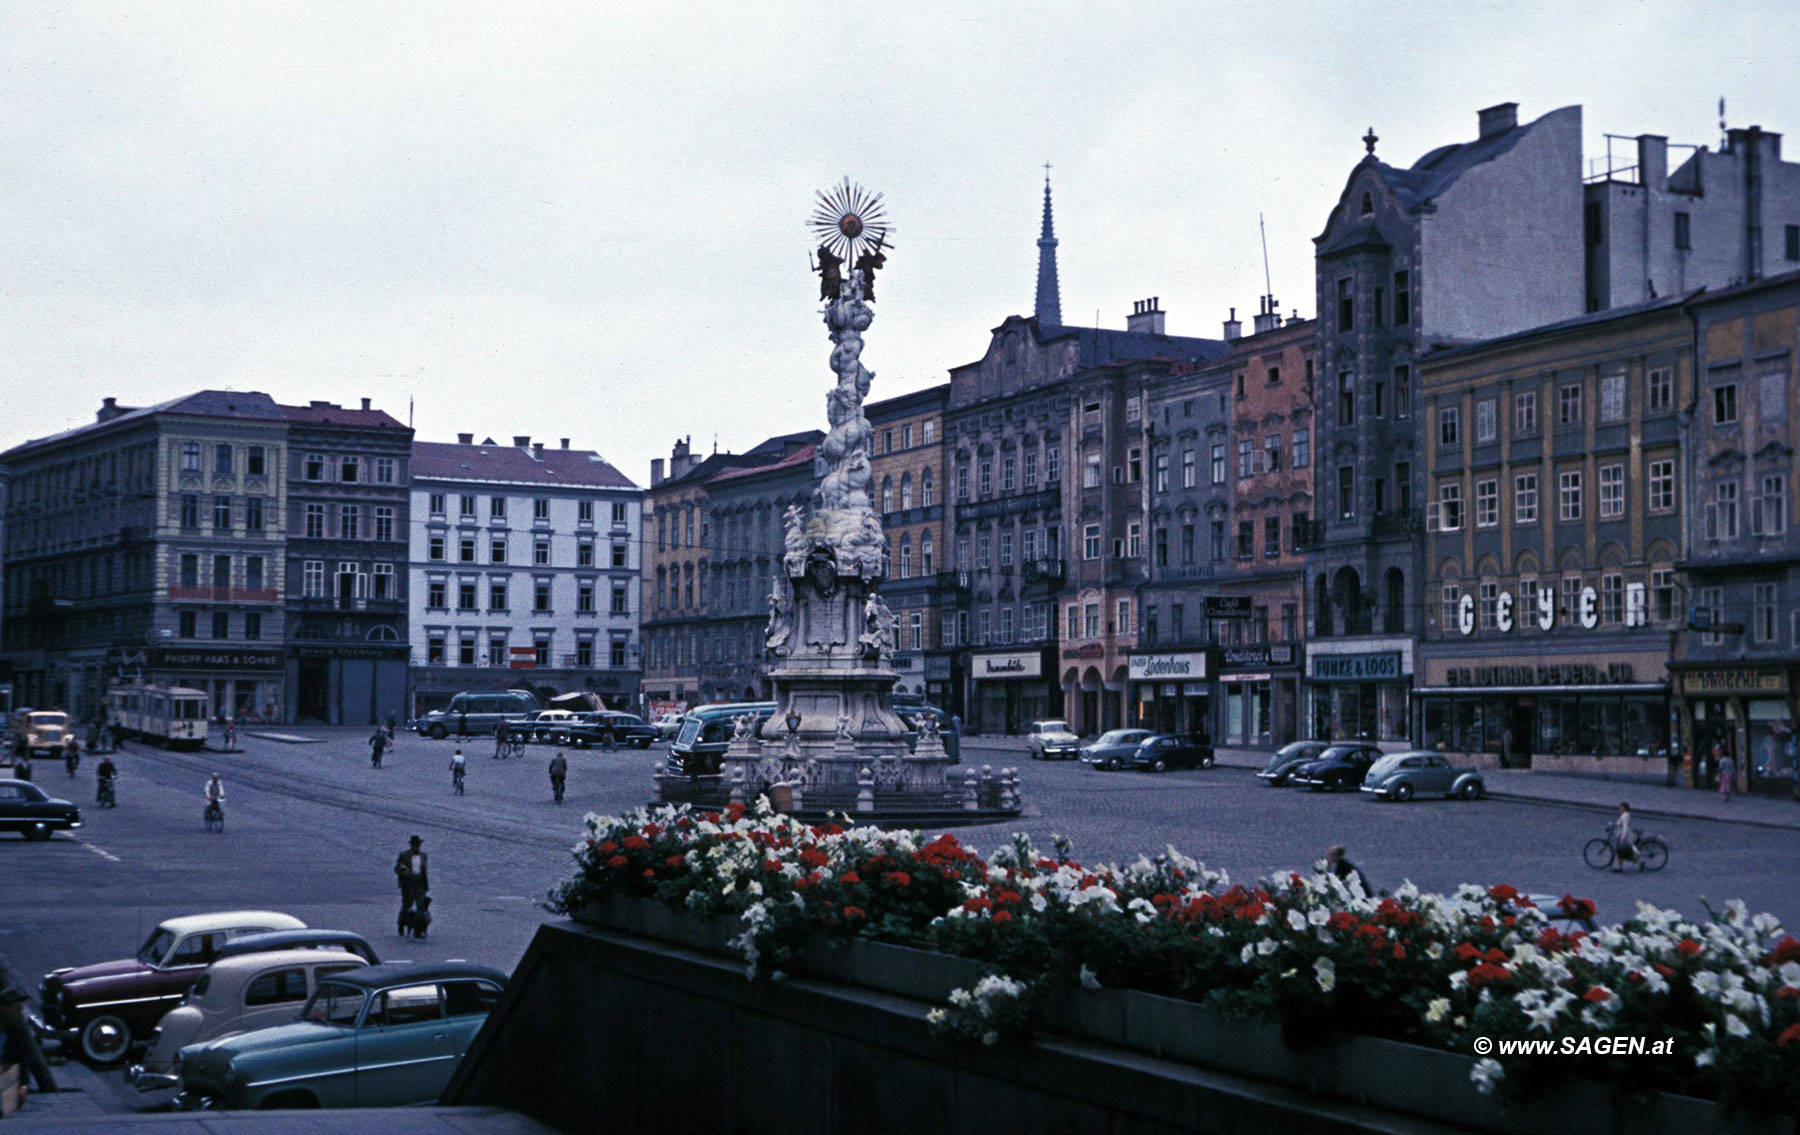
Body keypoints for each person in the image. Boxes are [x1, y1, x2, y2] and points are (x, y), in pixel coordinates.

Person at [0, 988, 58, 1096]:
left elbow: (36, 1061)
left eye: (21, 1010)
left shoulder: (18, 1029)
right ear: (3, 1009)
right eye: (17, 1010)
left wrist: (51, 1091)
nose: (20, 1015)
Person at [394, 835, 430, 936]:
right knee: (407, 906)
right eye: (415, 846)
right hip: (408, 883)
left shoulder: (423, 856)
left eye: (418, 845)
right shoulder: (404, 855)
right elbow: (397, 867)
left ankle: (418, 929)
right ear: (411, 846)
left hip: (420, 883)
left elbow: (424, 871)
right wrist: (403, 871)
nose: (417, 847)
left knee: (421, 906)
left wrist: (424, 884)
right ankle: (401, 923)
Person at [1610, 802, 1635, 872]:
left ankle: (1619, 868)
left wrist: (1623, 837)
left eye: (1621, 807)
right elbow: (1619, 823)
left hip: (1624, 836)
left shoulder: (1625, 816)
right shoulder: (1624, 815)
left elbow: (1625, 827)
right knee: (1624, 851)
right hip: (1623, 835)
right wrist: (1613, 824)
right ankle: (1640, 862)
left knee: (1621, 851)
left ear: (1624, 808)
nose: (1619, 809)